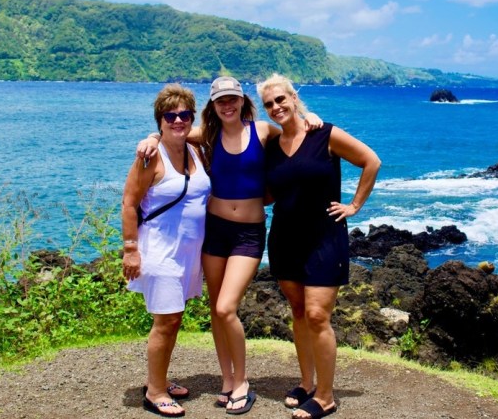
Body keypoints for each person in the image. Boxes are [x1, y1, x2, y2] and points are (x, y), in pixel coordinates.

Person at [137, 76, 322, 415]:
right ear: (213, 106)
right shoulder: (207, 135)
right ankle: (226, 380)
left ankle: (242, 382)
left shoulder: (263, 132)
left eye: (232, 99)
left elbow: (295, 136)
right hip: (215, 230)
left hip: (249, 234)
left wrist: (308, 118)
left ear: (242, 101)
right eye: (220, 100)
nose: (227, 105)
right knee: (215, 310)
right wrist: (148, 138)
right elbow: (169, 132)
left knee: (226, 308)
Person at [256, 73, 381, 419]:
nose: (276, 107)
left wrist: (354, 206)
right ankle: (306, 382)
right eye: (269, 104)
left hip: (325, 237)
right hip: (284, 237)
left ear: (294, 97)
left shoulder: (325, 133)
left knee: (316, 315)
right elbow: (269, 191)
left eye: (281, 99)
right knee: (298, 312)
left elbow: (371, 161)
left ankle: (325, 396)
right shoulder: (272, 148)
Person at [122, 84, 211, 418]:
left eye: (184, 114)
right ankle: (155, 391)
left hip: (187, 253)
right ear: (160, 119)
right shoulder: (150, 156)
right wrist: (130, 250)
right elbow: (129, 202)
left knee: (174, 319)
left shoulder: (195, 149)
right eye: (169, 115)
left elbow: (224, 127)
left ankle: (157, 379)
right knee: (167, 320)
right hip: (159, 250)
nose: (178, 120)